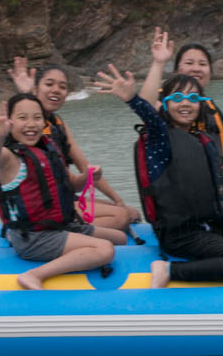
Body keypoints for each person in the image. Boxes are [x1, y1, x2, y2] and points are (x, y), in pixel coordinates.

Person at [95, 64, 223, 288]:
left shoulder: (201, 140)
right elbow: (151, 118)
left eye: (193, 98)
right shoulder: (161, 139)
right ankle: (169, 270)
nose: (185, 103)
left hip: (203, 229)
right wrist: (132, 99)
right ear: (164, 104)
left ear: (201, 105)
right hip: (180, 237)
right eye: (176, 97)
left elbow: (212, 191)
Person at [0, 93, 126, 290]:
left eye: (37, 117)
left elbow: (73, 184)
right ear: (10, 122)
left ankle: (74, 256)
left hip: (59, 227)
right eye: (22, 118)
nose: (31, 124)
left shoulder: (48, 151)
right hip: (34, 237)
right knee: (105, 249)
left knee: (121, 238)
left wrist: (88, 177)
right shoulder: (8, 158)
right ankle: (34, 275)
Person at [139, 28, 223, 224]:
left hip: (205, 190)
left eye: (202, 64)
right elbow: (145, 108)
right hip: (175, 195)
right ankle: (211, 234)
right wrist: (159, 63)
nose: (196, 68)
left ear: (210, 72)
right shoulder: (167, 103)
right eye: (189, 63)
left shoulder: (209, 108)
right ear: (176, 71)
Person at [9, 58, 141, 231]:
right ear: (36, 89)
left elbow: (85, 168)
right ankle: (60, 231)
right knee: (122, 216)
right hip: (45, 206)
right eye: (49, 84)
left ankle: (71, 226)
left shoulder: (57, 123)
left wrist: (117, 199)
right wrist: (27, 95)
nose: (56, 90)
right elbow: (12, 127)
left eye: (62, 87)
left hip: (65, 196)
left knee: (131, 213)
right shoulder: (30, 129)